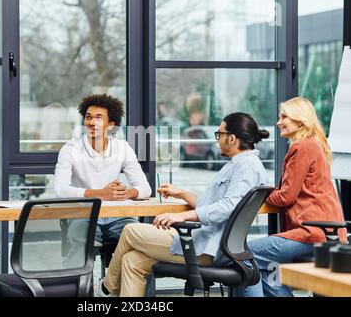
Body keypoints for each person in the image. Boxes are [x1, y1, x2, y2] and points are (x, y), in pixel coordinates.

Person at [94, 112, 269, 297]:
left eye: (220, 134)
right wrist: (182, 193)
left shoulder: (246, 167)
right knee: (132, 261)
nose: (217, 139)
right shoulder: (239, 164)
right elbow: (211, 207)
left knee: (130, 231)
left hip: (206, 248)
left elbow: (227, 207)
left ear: (232, 139)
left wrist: (181, 215)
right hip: (206, 241)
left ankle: (106, 288)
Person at [234, 97, 347, 297]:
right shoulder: (314, 144)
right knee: (269, 267)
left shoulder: (302, 147)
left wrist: (260, 195)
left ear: (300, 120)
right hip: (328, 233)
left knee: (243, 255)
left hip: (312, 233)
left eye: (284, 116)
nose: (278, 122)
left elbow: (286, 196)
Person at [54, 93, 152, 267]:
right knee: (81, 248)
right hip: (85, 215)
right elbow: (61, 189)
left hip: (118, 216)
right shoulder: (70, 149)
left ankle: (111, 288)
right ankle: (78, 288)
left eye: (99, 118)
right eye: (88, 117)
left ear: (111, 124)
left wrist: (127, 192)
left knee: (142, 245)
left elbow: (145, 188)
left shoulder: (122, 148)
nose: (91, 122)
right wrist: (101, 194)